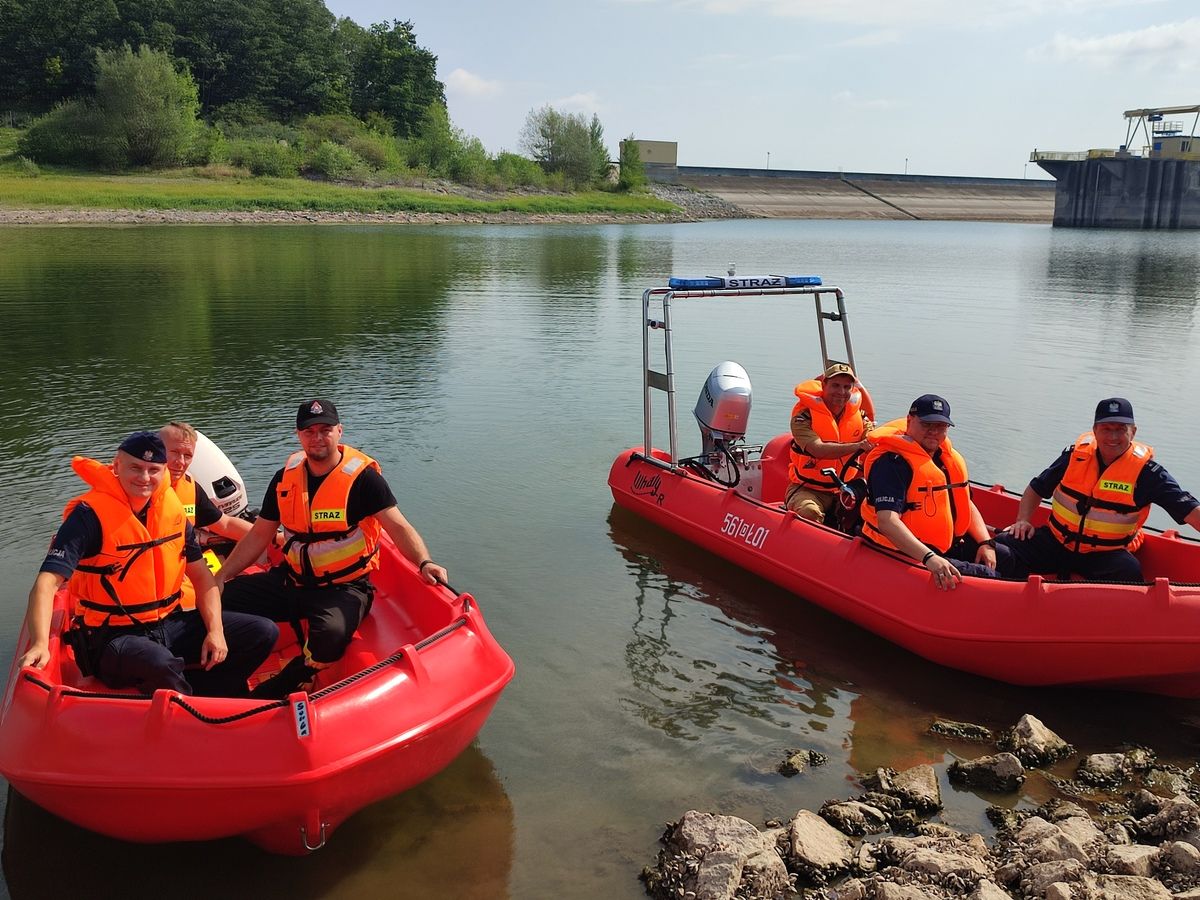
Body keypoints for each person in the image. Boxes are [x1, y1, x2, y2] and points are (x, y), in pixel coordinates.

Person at [217, 400, 449, 698]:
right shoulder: (284, 479)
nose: (317, 437)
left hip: (344, 588)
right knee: (219, 600)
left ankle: (288, 682)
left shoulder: (364, 480)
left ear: (339, 431)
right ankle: (225, 667)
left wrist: (424, 562)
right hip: (291, 580)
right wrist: (220, 577)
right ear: (298, 436)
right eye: (309, 431)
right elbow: (259, 535)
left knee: (331, 636)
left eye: (325, 430)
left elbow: (398, 527)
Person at [18, 432, 278, 697]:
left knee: (262, 632)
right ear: (117, 466)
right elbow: (46, 584)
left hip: (169, 622)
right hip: (111, 636)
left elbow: (202, 579)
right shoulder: (88, 517)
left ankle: (212, 692)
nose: (144, 478)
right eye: (136, 468)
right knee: (159, 661)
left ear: (163, 471)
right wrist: (40, 643)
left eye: (153, 470)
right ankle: (194, 712)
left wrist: (216, 631)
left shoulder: (173, 514)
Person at [996, 398, 1200, 582]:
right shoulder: (1075, 456)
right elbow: (1036, 489)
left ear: (1133, 432)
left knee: (1129, 570)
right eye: (1106, 429)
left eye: (1120, 429)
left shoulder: (1149, 474)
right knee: (999, 545)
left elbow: (1191, 512)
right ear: (1095, 431)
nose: (1113, 436)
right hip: (1056, 542)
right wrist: (1023, 520)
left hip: (1105, 555)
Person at [859, 395, 1008, 590]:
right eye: (927, 425)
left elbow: (965, 503)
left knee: (1005, 556)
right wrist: (929, 558)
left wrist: (985, 542)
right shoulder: (892, 463)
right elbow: (887, 521)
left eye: (940, 426)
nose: (933, 432)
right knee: (988, 575)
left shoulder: (944, 458)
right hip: (904, 549)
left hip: (945, 543)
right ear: (910, 420)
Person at [785, 362, 875, 523]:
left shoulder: (859, 416)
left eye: (847, 387)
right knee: (809, 512)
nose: (841, 392)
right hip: (807, 488)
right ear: (824, 385)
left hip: (847, 488)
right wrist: (858, 446)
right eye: (835, 385)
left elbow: (873, 436)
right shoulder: (803, 417)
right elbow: (817, 449)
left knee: (874, 513)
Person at [160, 421, 254, 543]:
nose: (181, 462)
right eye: (175, 453)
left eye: (187, 456)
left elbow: (225, 524)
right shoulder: (139, 489)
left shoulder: (191, 488)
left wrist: (272, 538)